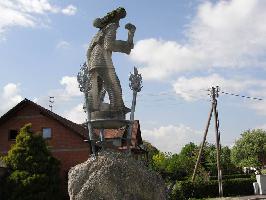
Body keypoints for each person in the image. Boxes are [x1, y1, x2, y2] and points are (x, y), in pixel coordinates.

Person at [86, 7, 135, 117]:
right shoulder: (111, 27)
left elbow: (88, 51)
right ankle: (116, 110)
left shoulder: (99, 33)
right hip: (102, 60)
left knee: (96, 86)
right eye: (119, 21)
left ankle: (91, 109)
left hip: (94, 62)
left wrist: (90, 64)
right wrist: (126, 44)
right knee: (114, 85)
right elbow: (109, 45)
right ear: (116, 20)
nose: (118, 25)